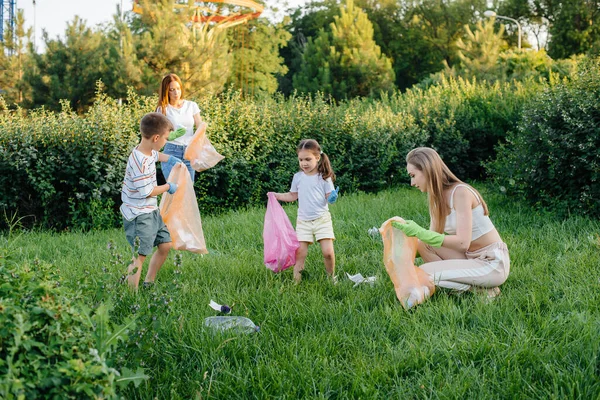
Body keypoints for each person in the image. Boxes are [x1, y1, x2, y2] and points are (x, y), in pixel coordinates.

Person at [392, 147, 510, 300]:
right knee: (423, 244)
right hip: (470, 259)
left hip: (491, 263)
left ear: (427, 170)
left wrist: (418, 231)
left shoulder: (461, 192)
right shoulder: (435, 200)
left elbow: (462, 243)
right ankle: (473, 285)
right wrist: (400, 252)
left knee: (423, 273)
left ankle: (482, 290)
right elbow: (429, 241)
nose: (412, 183)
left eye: (413, 175)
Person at [120, 112, 182, 290]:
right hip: (139, 214)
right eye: (165, 139)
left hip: (151, 211)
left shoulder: (148, 151)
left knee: (165, 244)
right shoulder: (139, 162)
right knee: (140, 256)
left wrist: (170, 158)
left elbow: (157, 156)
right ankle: (131, 297)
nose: (165, 143)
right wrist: (167, 187)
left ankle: (149, 282)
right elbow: (147, 191)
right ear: (156, 137)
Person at [270, 139, 339, 283]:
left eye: (308, 159)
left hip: (322, 219)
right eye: (301, 160)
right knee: (300, 253)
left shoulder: (324, 177)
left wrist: (332, 198)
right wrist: (276, 196)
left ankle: (331, 277)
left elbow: (329, 197)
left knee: (328, 253)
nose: (304, 163)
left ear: (317, 158)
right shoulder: (298, 177)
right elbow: (293, 195)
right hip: (303, 221)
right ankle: (296, 281)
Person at [157, 73, 202, 182]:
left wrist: (197, 144)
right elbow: (160, 134)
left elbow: (199, 125)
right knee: (175, 190)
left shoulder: (191, 106)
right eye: (171, 89)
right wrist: (172, 135)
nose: (176, 92)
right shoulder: (163, 109)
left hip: (189, 152)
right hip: (171, 152)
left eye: (178, 88)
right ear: (166, 91)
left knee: (187, 191)